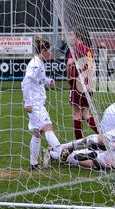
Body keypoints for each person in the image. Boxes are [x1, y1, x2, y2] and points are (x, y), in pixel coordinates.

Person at [21, 36, 67, 170]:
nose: (51, 53)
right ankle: (60, 151)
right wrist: (28, 103)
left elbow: (39, 78)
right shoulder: (35, 64)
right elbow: (26, 82)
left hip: (36, 103)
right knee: (48, 126)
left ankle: (33, 164)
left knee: (37, 132)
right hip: (35, 104)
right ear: (43, 50)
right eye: (50, 51)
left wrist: (48, 81)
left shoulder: (39, 63)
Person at [66, 25, 99, 139]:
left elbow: (70, 63)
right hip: (88, 84)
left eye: (72, 35)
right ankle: (102, 136)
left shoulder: (75, 48)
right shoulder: (89, 50)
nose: (71, 37)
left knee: (76, 113)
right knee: (85, 113)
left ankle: (79, 142)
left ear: (78, 36)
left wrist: (68, 77)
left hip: (77, 83)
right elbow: (91, 68)